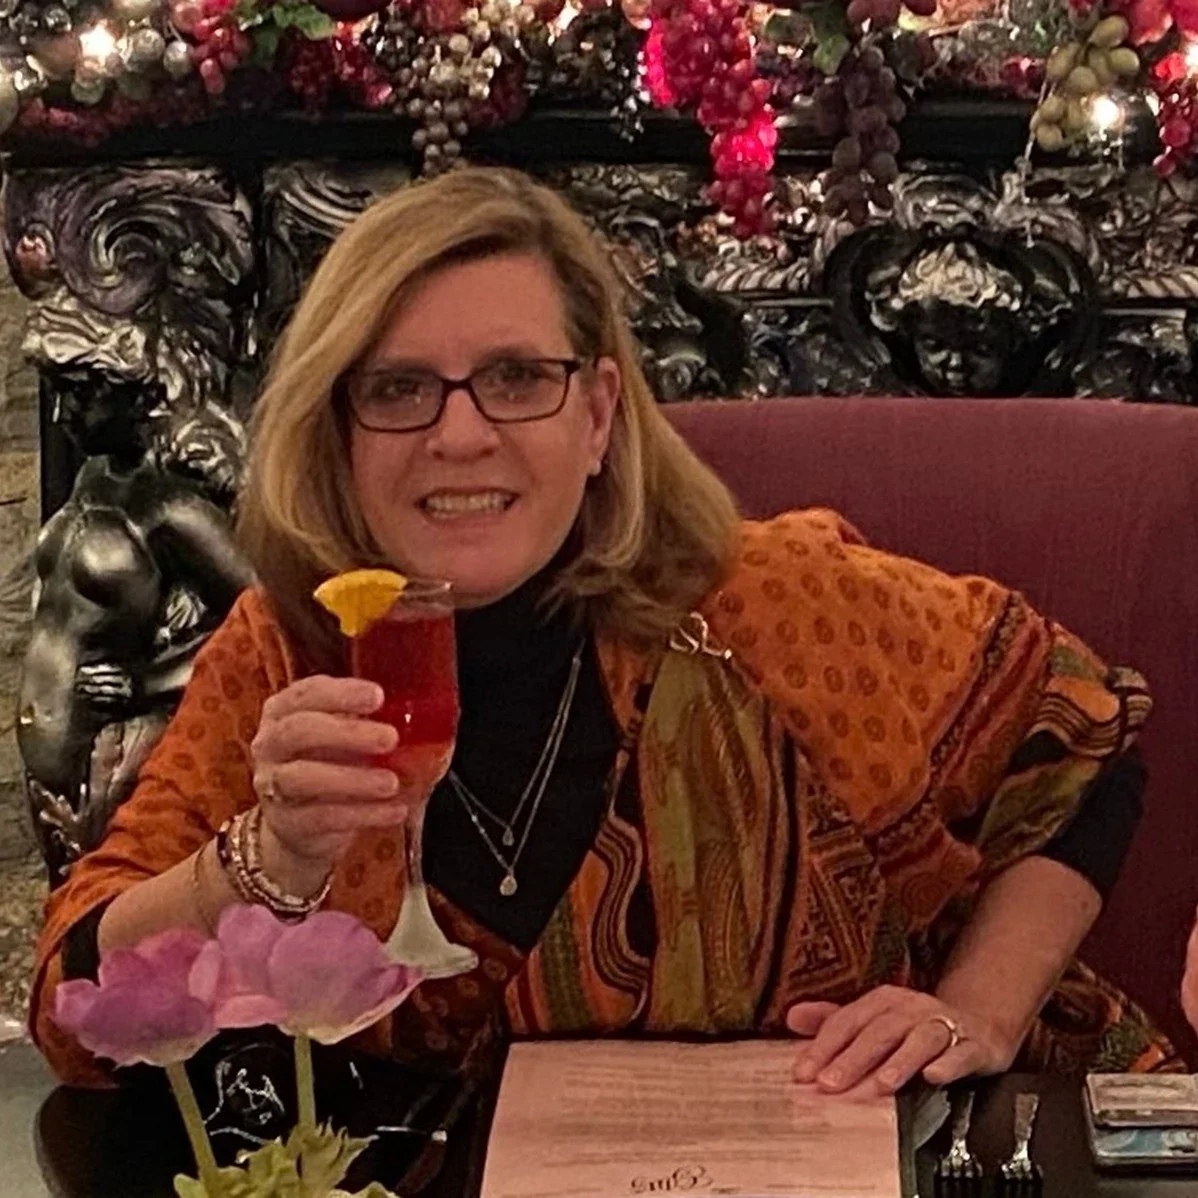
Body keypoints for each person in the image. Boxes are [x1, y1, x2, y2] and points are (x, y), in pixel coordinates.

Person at [31, 167, 1170, 1096]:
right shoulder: (289, 651)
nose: (461, 435)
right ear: (337, 431)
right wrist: (264, 863)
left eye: (518, 377)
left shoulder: (767, 605)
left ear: (599, 415)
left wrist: (977, 1006)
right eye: (396, 389)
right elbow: (75, 1012)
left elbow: (1084, 746)